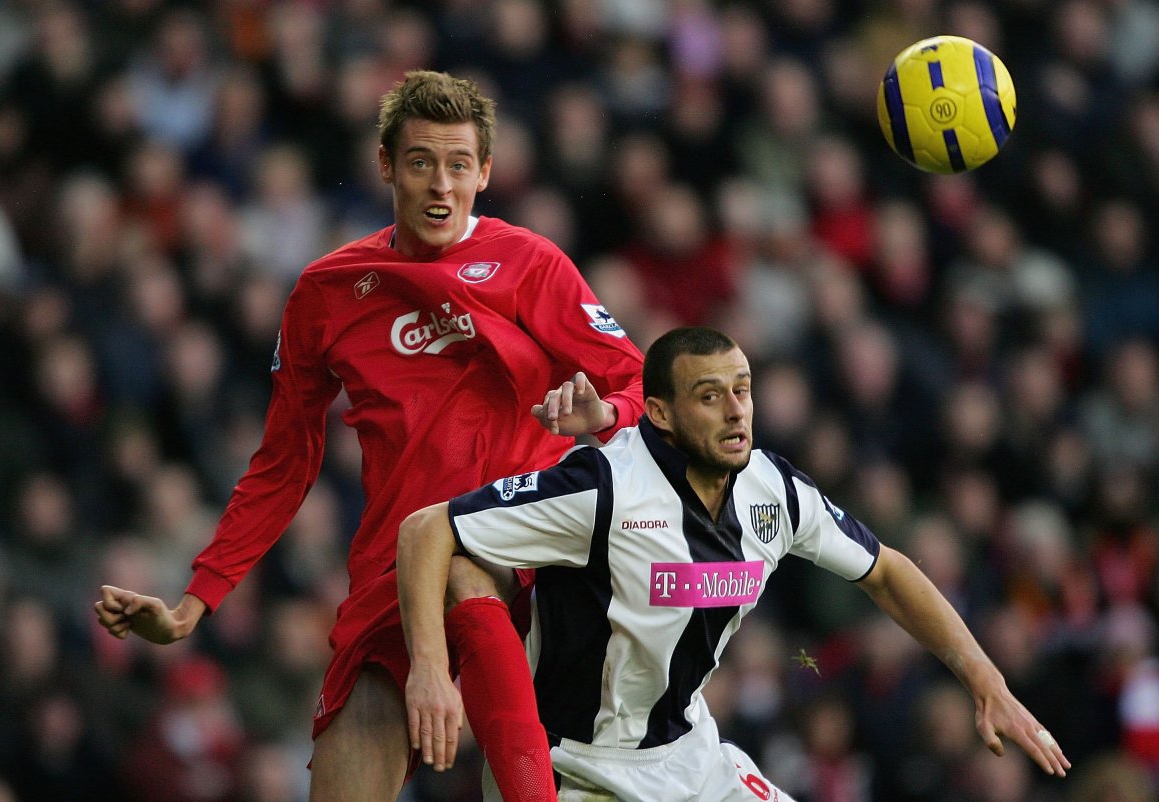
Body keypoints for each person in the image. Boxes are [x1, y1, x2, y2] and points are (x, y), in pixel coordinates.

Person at [94, 70, 645, 802]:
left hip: (525, 553)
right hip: (390, 575)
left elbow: (639, 383)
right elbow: (283, 465)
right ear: (386, 165)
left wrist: (601, 417)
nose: (440, 186)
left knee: (460, 563)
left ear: (485, 172)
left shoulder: (532, 265)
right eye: (420, 162)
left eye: (458, 165)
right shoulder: (326, 292)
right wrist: (195, 603)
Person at [396, 326, 1073, 802]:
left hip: (692, 757)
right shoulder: (603, 487)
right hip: (581, 769)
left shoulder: (770, 489)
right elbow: (429, 530)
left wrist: (985, 679)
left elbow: (888, 571)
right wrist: (429, 668)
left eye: (743, 390)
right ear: (657, 412)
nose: (735, 412)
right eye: (709, 395)